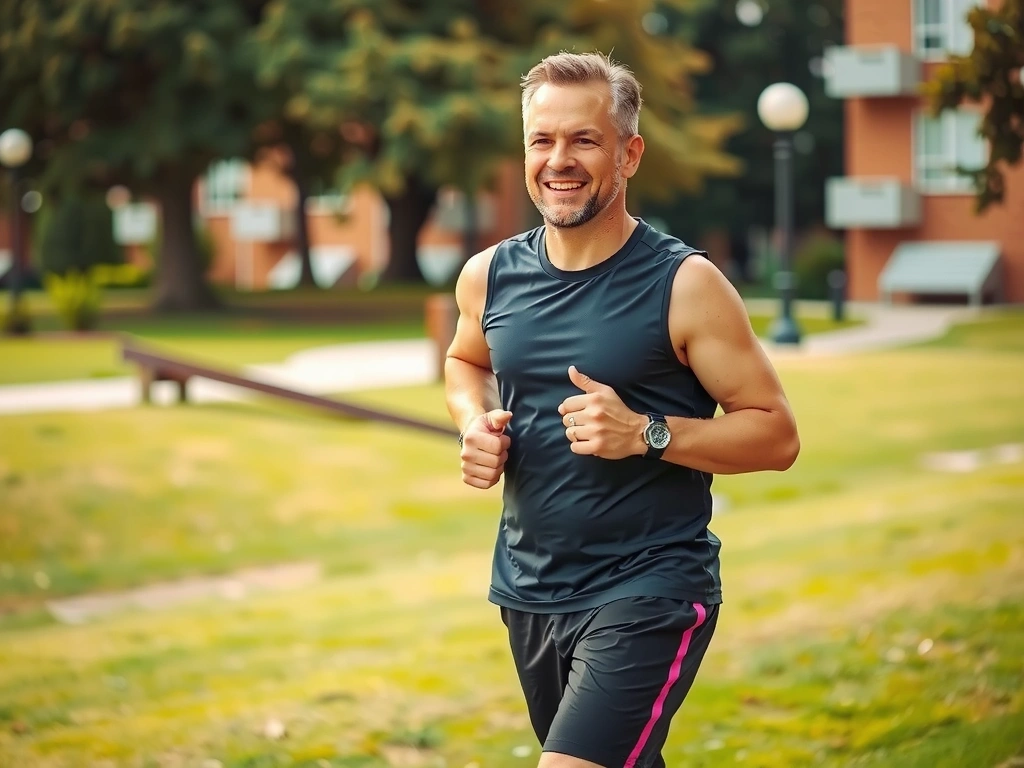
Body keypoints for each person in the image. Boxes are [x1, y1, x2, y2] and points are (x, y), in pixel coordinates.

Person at [443, 51, 799, 768]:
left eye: (584, 140)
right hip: (530, 586)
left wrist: (646, 433)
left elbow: (776, 434)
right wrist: (472, 421)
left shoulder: (685, 283)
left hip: (650, 586)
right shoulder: (490, 275)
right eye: (542, 141)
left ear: (628, 153)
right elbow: (465, 361)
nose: (558, 161)